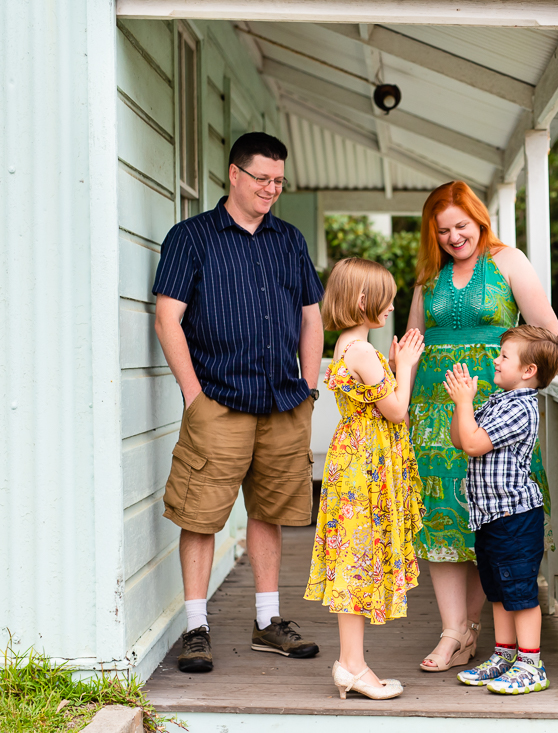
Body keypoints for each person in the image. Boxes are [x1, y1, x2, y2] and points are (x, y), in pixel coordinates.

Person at [152, 132, 324, 674]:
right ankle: (196, 627)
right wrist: (193, 395)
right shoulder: (191, 237)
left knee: (270, 513)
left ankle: (269, 622)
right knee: (200, 516)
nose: (271, 189)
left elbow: (311, 316)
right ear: (233, 175)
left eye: (279, 180)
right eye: (262, 179)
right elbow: (168, 317)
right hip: (218, 402)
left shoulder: (289, 240)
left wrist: (310, 386)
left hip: (282, 400)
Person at [406, 181, 558, 671]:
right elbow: (412, 341)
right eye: (442, 230)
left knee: (487, 518)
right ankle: (454, 634)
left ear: (479, 220)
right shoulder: (429, 274)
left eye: (461, 226)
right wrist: (394, 397)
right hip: (435, 411)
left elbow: (544, 323)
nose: (453, 237)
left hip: (496, 404)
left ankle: (483, 630)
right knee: (441, 522)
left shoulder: (507, 261)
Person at [305, 258, 426, 700]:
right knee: (357, 558)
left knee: (353, 557)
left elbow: (378, 397)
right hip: (364, 466)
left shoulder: (346, 346)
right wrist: (406, 365)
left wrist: (391, 364)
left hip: (354, 458)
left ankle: (352, 663)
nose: (392, 305)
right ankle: (352, 665)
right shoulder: (361, 352)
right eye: (386, 298)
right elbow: (396, 409)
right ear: (362, 300)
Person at [445, 325, 558, 694]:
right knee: (497, 589)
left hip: (515, 517)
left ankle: (531, 665)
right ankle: (504, 655)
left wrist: (466, 404)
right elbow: (460, 438)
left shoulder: (521, 408)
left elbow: (476, 445)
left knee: (520, 593)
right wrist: (459, 405)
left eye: (504, 356)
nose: (496, 360)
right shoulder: (499, 400)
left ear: (528, 371)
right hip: (491, 517)